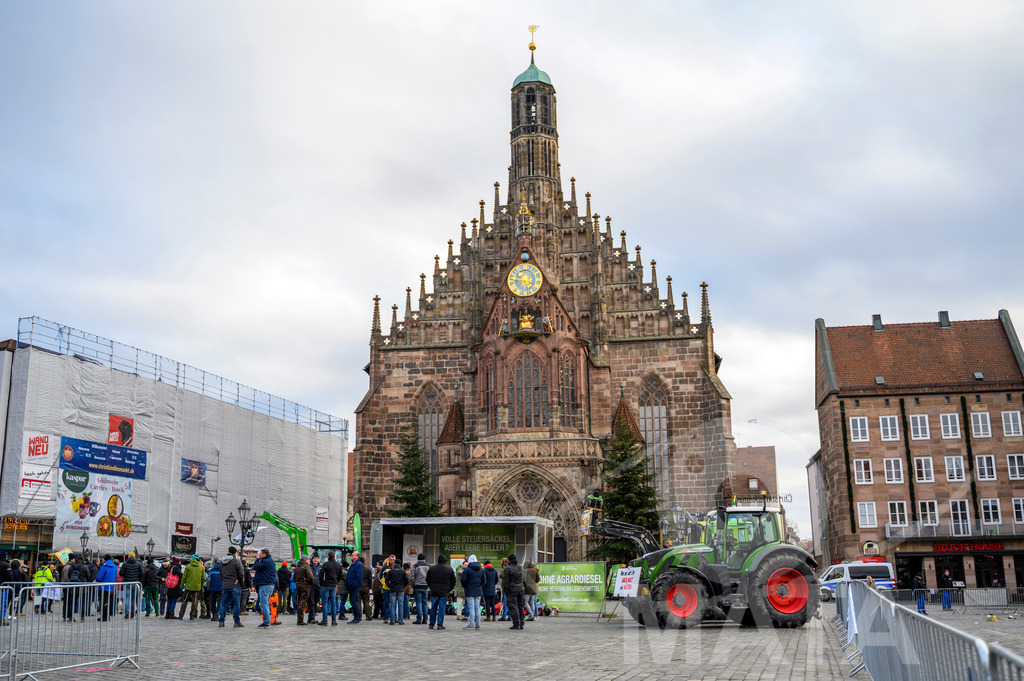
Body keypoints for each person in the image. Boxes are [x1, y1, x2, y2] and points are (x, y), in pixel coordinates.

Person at [218, 546, 245, 628]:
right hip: (235, 584)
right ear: (235, 553)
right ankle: (236, 622)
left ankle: (221, 621)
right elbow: (241, 573)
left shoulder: (222, 562)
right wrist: (241, 583)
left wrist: (224, 582)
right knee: (236, 604)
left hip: (225, 585)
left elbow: (221, 574)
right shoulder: (236, 561)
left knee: (224, 604)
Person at [426, 554, 455, 630]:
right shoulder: (449, 569)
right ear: (445, 561)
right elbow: (453, 581)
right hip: (444, 591)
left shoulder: (432, 569)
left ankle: (431, 624)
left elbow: (427, 579)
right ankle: (440, 624)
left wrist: (431, 587)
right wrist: (449, 589)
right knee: (442, 608)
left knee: (433, 608)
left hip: (434, 591)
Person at [252, 548, 277, 629]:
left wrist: (257, 559)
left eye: (260, 554)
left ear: (264, 554)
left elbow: (255, 566)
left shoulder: (265, 561)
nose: (259, 555)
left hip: (265, 585)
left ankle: (266, 622)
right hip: (270, 585)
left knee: (264, 604)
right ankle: (267, 621)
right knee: (266, 603)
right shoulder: (270, 561)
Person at [317, 550, 342, 626]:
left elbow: (321, 575)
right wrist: (336, 581)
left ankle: (325, 620)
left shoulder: (325, 564)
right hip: (333, 585)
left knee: (324, 603)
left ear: (328, 556)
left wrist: (322, 583)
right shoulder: (338, 565)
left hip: (326, 584)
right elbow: (340, 576)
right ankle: (334, 620)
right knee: (333, 602)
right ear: (334, 556)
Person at [502, 554, 526, 630]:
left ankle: (516, 623)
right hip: (521, 589)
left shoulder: (507, 569)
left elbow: (506, 582)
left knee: (513, 606)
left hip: (512, 590)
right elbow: (524, 579)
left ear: (509, 560)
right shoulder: (521, 567)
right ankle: (522, 623)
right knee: (520, 606)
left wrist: (506, 590)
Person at [178, 554, 206, 620]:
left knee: (185, 601)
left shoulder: (188, 566)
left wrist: (182, 585)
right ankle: (192, 615)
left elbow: (184, 577)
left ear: (193, 559)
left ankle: (181, 614)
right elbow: (203, 578)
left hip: (188, 587)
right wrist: (201, 586)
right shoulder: (201, 567)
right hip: (197, 587)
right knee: (195, 602)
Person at [460, 555, 484, 630]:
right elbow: (483, 581)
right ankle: (478, 624)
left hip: (469, 590)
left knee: (471, 608)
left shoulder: (467, 570)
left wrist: (466, 586)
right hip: (478, 590)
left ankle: (471, 624)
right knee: (477, 608)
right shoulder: (481, 570)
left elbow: (463, 580)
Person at [95, 555, 118, 621]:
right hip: (110, 586)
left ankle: (104, 616)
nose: (102, 560)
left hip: (103, 586)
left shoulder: (104, 566)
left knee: (103, 602)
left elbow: (98, 578)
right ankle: (107, 615)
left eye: (102, 559)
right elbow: (115, 576)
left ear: (105, 559)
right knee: (107, 601)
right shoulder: (114, 567)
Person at [119, 552, 143, 619]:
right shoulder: (138, 564)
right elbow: (142, 573)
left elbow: (121, 573)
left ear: (129, 557)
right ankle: (132, 613)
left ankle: (127, 613)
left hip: (127, 583)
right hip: (135, 582)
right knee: (133, 598)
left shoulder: (125, 564)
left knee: (127, 598)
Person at [386, 558, 409, 625]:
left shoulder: (391, 571)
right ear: (400, 564)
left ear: (394, 564)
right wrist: (402, 586)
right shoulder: (403, 572)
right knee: (401, 605)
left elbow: (386, 580)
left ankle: (392, 620)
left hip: (393, 589)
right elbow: (407, 581)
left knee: (392, 605)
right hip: (400, 589)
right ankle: (400, 620)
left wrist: (390, 586)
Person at [293, 556, 314, 626]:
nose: (309, 561)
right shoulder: (306, 567)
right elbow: (311, 577)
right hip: (305, 586)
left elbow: (294, 578)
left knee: (299, 602)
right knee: (302, 602)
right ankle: (300, 620)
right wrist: (310, 582)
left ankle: (299, 618)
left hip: (298, 586)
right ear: (305, 560)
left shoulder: (297, 567)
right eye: (308, 559)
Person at [411, 553, 430, 624]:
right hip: (425, 586)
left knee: (418, 602)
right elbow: (430, 576)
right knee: (425, 602)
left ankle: (419, 619)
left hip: (417, 586)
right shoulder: (428, 566)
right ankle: (425, 619)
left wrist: (413, 584)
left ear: (418, 559)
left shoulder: (415, 566)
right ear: (424, 559)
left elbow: (412, 577)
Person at [345, 552, 364, 624]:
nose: (351, 556)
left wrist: (353, 584)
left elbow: (359, 577)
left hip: (354, 587)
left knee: (354, 602)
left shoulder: (358, 564)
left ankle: (357, 618)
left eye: (353, 555)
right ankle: (356, 617)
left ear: (357, 556)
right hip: (351, 586)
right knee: (352, 602)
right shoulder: (353, 564)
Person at [305, 554, 320, 624]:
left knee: (316, 601)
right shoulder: (309, 567)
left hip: (318, 587)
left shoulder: (320, 567)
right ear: (312, 559)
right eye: (314, 558)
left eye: (317, 558)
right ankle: (311, 617)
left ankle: (312, 616)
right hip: (310, 587)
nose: (316, 560)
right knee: (311, 602)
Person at [359, 555, 372, 621]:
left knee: (358, 602)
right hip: (366, 587)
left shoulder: (357, 568)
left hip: (358, 587)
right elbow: (370, 579)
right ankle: (368, 615)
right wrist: (370, 587)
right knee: (366, 602)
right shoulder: (367, 569)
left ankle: (359, 616)